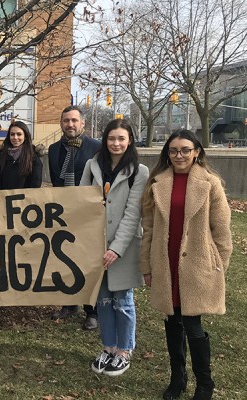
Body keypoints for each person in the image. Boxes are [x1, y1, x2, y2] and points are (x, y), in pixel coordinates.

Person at [141, 130, 232, 400]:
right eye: (173, 150)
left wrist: (218, 266)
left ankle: (205, 383)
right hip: (165, 261)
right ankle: (177, 378)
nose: (178, 155)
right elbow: (148, 228)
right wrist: (146, 266)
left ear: (196, 152)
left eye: (184, 150)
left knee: (192, 324)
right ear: (166, 153)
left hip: (197, 264)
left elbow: (222, 231)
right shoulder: (157, 182)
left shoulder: (210, 183)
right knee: (172, 322)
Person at [80, 119, 148, 377]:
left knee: (123, 300)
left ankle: (124, 351)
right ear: (104, 140)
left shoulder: (139, 171)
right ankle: (108, 347)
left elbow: (133, 214)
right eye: (112, 138)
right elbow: (82, 201)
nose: (116, 143)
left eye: (121, 138)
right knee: (103, 300)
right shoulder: (92, 165)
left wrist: (116, 249)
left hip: (124, 247)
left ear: (129, 140)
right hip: (96, 245)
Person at [48, 105, 101, 329]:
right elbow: (55, 182)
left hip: (88, 215)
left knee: (88, 262)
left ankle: (93, 310)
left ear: (82, 124)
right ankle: (70, 304)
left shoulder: (96, 148)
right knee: (65, 258)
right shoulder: (53, 149)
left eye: (74, 120)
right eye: (65, 121)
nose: (70, 124)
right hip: (64, 213)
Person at [0, 121, 44, 190]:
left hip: (25, 199)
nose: (15, 137)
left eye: (19, 134)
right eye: (12, 134)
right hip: (4, 199)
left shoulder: (33, 157)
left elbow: (35, 184)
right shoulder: (2, 156)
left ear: (25, 136)